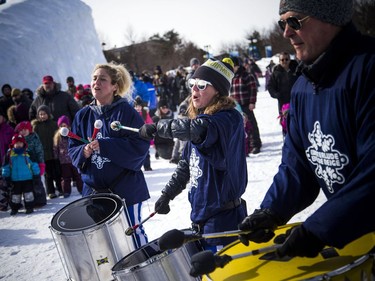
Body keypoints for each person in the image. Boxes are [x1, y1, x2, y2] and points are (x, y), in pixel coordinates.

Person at [238, 0, 375, 259]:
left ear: (330, 16)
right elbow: (298, 164)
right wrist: (272, 210)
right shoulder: (302, 87)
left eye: (294, 21)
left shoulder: (368, 68)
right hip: (356, 238)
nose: (286, 33)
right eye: (282, 23)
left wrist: (319, 229)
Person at [140, 58, 248, 252]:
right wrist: (167, 194)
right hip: (201, 219)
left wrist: (158, 127)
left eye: (201, 85)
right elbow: (186, 166)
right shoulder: (201, 121)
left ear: (218, 90)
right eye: (192, 84)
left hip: (224, 221)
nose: (194, 90)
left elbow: (195, 128)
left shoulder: (228, 119)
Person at [68, 62, 151, 247]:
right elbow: (72, 148)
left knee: (132, 233)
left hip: (126, 189)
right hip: (94, 192)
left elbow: (141, 145)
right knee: (102, 243)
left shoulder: (126, 112)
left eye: (102, 79)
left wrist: (105, 146)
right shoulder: (82, 116)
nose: (96, 82)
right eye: (94, 78)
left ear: (114, 86)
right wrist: (84, 151)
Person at [230, 56, 262, 154]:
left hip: (246, 104)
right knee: (239, 126)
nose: (233, 68)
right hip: (235, 106)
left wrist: (252, 102)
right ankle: (245, 145)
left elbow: (253, 90)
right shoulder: (231, 76)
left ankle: (255, 144)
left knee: (251, 124)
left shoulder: (246, 75)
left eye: (234, 66)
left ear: (238, 66)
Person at [2, 134, 40, 215]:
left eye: (20, 143)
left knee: (28, 194)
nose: (19, 145)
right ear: (13, 144)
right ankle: (14, 208)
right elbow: (6, 167)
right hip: (15, 180)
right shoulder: (9, 155)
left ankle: (29, 207)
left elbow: (34, 164)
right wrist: (6, 176)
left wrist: (36, 174)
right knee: (15, 196)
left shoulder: (28, 153)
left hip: (27, 179)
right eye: (16, 143)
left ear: (23, 144)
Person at [32, 105, 62, 199]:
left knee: (57, 172)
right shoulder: (36, 126)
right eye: (40, 114)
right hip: (44, 154)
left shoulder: (54, 124)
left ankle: (60, 189)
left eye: (44, 114)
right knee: (48, 174)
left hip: (55, 153)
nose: (42, 116)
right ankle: (50, 191)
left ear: (48, 114)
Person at [267, 52, 299, 136]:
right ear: (279, 61)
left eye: (286, 59)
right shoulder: (276, 72)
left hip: (297, 101)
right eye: (282, 60)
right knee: (286, 124)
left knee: (299, 122)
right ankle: (287, 141)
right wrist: (276, 94)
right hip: (283, 103)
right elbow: (270, 86)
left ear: (290, 59)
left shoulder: (297, 69)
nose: (284, 61)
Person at [15, 121, 47, 207]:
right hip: (25, 167)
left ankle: (40, 200)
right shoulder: (18, 140)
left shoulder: (34, 138)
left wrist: (41, 164)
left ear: (30, 130)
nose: (23, 132)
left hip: (35, 164)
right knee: (28, 185)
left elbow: (39, 152)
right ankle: (31, 201)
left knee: (37, 183)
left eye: (25, 129)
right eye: (21, 130)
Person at [53, 115, 83, 197]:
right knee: (66, 177)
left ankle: (81, 189)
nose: (63, 127)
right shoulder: (58, 137)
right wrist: (56, 158)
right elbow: (55, 148)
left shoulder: (71, 134)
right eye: (61, 126)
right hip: (64, 161)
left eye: (64, 125)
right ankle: (66, 191)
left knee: (77, 175)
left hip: (73, 159)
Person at [133, 96, 153, 171]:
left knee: (146, 152)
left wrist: (149, 129)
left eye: (139, 106)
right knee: (136, 152)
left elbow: (150, 122)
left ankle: (147, 166)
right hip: (135, 135)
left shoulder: (145, 114)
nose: (138, 108)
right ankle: (136, 167)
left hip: (144, 135)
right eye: (136, 106)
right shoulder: (132, 113)